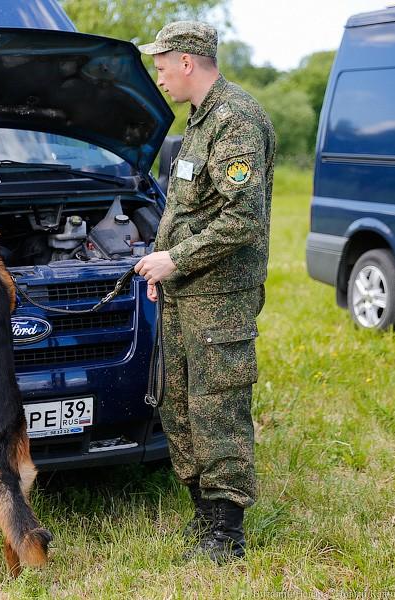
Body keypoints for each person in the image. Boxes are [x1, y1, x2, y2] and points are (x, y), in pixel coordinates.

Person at [134, 20, 275, 563]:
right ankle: (204, 514)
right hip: (184, 290)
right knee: (181, 404)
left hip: (220, 294)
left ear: (187, 61)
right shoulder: (197, 122)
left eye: (162, 64)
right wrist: (159, 265)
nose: (160, 75)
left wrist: (177, 258)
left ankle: (227, 533)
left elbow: (242, 218)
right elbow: (187, 207)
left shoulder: (236, 120)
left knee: (218, 405)